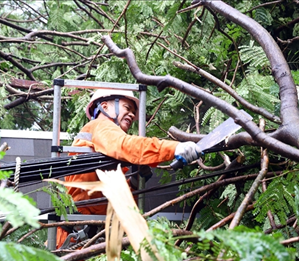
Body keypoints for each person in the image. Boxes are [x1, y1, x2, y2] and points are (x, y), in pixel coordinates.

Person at [56, 89, 201, 249]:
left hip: (94, 235)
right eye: (127, 108)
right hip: (80, 235)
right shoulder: (101, 125)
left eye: (133, 111)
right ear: (105, 106)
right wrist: (173, 148)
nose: (132, 115)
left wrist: (134, 181)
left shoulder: (106, 152)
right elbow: (127, 145)